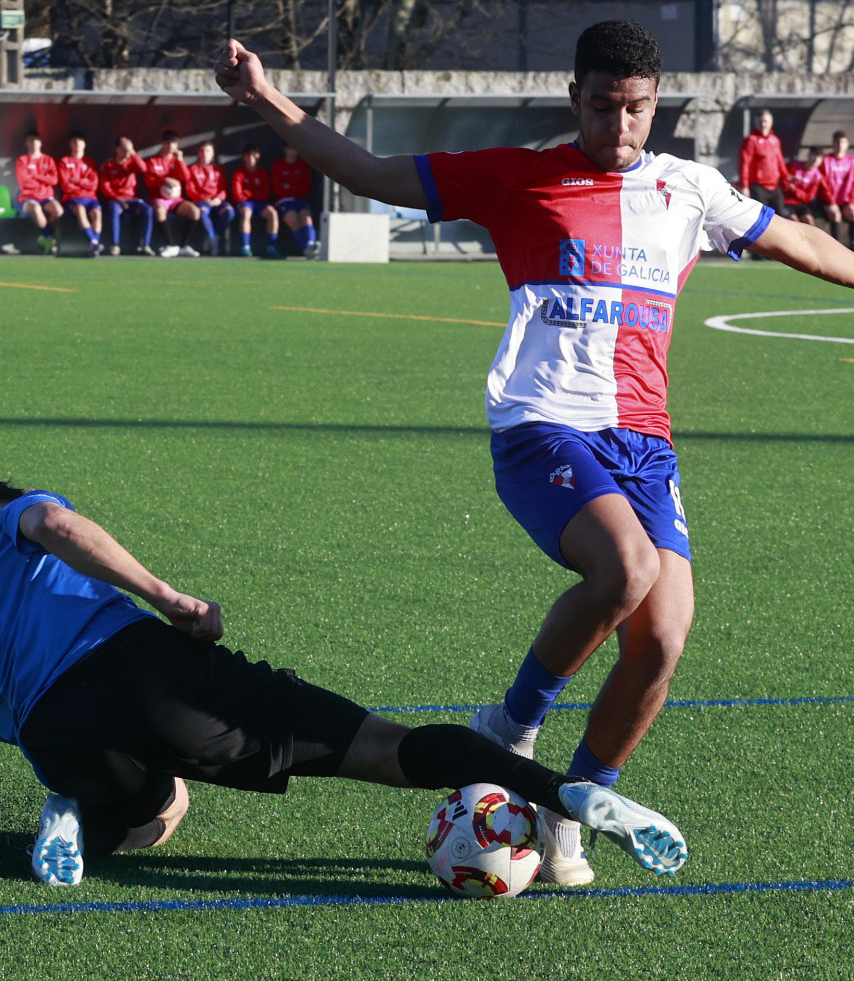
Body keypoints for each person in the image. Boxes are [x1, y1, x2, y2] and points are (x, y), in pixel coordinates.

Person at [215, 19, 854, 886]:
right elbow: (366, 171)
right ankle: (510, 729)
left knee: (661, 640)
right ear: (574, 100)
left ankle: (574, 802)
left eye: (633, 110)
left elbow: (802, 242)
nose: (617, 126)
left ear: (655, 103)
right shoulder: (517, 174)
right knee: (623, 570)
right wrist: (265, 99)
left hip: (642, 443)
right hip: (540, 426)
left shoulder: (689, 189)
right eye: (600, 108)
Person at [0, 478, 687, 888]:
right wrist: (170, 598)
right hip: (137, 668)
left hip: (54, 733)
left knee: (162, 807)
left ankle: (79, 811)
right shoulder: (14, 529)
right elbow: (55, 523)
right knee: (380, 744)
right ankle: (564, 793)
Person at [144, 130, 201, 258]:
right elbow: (149, 181)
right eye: (168, 142)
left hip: (176, 200)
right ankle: (171, 245)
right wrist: (164, 180)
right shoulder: (153, 161)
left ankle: (183, 246)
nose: (171, 146)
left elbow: (186, 177)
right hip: (159, 199)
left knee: (195, 212)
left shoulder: (177, 161)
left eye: (174, 143)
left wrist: (180, 160)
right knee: (159, 210)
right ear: (163, 144)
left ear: (177, 145)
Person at [99, 136, 155, 256]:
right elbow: (105, 187)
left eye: (129, 150)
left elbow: (144, 169)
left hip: (132, 200)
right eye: (124, 149)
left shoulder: (132, 163)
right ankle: (115, 245)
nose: (126, 153)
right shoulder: (108, 165)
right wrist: (117, 198)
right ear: (117, 149)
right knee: (114, 209)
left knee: (148, 210)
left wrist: (133, 153)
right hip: (115, 200)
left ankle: (145, 245)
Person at [15, 131, 63, 255]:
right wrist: (43, 179)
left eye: (37, 139)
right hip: (27, 197)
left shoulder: (48, 160)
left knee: (58, 211)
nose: (34, 142)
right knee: (36, 208)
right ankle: (49, 237)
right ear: (26, 143)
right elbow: (24, 182)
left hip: (46, 197)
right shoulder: (22, 160)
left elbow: (54, 180)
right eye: (31, 139)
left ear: (40, 142)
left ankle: (45, 237)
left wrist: (35, 176)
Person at [185, 139, 235, 256]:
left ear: (212, 153)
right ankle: (213, 240)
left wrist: (218, 199)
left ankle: (211, 235)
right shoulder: (193, 169)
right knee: (202, 212)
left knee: (230, 212)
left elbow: (223, 189)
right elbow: (190, 190)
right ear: (198, 153)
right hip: (201, 201)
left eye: (207, 150)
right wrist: (203, 198)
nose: (204, 153)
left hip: (216, 202)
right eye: (202, 150)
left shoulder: (218, 170)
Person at [57, 132, 103, 257]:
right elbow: (66, 186)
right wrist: (85, 182)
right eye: (74, 141)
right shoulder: (65, 161)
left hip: (90, 198)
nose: (77, 143)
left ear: (84, 144)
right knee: (80, 209)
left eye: (80, 141)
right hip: (72, 198)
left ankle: (94, 243)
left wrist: (77, 180)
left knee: (97, 213)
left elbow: (94, 185)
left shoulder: (90, 162)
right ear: (70, 144)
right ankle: (93, 241)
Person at [739, 109, 791, 218]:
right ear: (755, 122)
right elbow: (745, 164)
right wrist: (745, 186)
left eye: (765, 121)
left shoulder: (775, 140)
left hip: (774, 186)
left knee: (780, 216)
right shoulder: (751, 140)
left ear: (770, 122)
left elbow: (780, 161)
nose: (763, 125)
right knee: (762, 218)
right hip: (758, 187)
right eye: (760, 122)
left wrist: (787, 177)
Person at [232, 143, 280, 257]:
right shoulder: (239, 173)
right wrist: (251, 195)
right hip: (245, 203)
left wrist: (249, 194)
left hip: (260, 203)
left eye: (253, 156)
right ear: (244, 157)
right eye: (248, 156)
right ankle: (245, 247)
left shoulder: (262, 173)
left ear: (258, 156)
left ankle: (271, 247)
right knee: (246, 212)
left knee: (273, 213)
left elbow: (265, 194)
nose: (251, 159)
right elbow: (237, 195)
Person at [271, 144, 319, 258]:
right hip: (284, 201)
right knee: (293, 219)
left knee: (307, 218)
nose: (292, 151)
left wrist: (289, 186)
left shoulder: (303, 166)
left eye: (295, 148)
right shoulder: (278, 165)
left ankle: (311, 244)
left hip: (300, 200)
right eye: (290, 148)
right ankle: (306, 250)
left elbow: (306, 188)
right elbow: (277, 188)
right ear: (285, 149)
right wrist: (295, 187)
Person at [818, 130, 854, 247]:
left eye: (842, 142)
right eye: (837, 142)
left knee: (852, 212)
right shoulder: (826, 160)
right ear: (833, 144)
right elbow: (822, 183)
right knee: (835, 214)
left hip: (846, 201)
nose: (840, 145)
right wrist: (830, 201)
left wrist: (851, 201)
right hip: (829, 200)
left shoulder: (851, 161)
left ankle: (852, 245)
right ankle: (837, 246)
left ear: (847, 144)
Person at [784, 149, 823, 226]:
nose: (815, 160)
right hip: (787, 202)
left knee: (809, 221)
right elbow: (784, 180)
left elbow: (809, 197)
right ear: (808, 155)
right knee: (794, 221)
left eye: (818, 158)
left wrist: (794, 189)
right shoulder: (794, 165)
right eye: (813, 156)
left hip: (801, 204)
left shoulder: (817, 176)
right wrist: (789, 183)